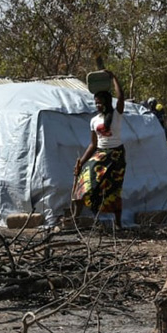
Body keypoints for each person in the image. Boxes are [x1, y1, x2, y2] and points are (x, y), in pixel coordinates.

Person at [73, 71, 126, 226]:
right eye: (95, 103)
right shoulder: (94, 120)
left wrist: (114, 77)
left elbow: (121, 96)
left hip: (116, 155)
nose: (97, 105)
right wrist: (81, 163)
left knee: (114, 189)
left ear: (107, 102)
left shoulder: (116, 114)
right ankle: (75, 218)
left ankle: (118, 223)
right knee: (84, 181)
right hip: (100, 154)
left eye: (100, 102)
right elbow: (93, 144)